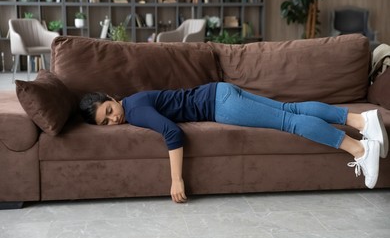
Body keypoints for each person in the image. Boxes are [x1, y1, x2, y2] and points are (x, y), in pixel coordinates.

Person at [79, 82, 389, 203]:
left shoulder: (134, 110)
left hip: (220, 106)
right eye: (105, 122)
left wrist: (175, 180)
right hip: (221, 92)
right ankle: (362, 121)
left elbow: (172, 132)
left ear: (110, 98)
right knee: (289, 110)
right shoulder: (132, 101)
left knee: (289, 121)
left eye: (109, 111)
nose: (113, 120)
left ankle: (359, 148)